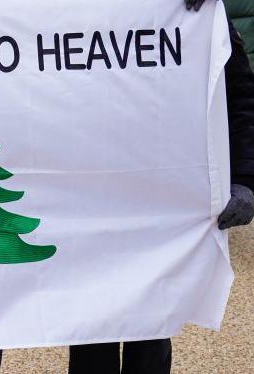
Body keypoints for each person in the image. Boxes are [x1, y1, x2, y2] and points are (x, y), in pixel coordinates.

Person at [67, 1, 254, 373]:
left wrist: (245, 179)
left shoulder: (191, 10)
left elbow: (238, 91)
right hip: (86, 201)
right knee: (91, 325)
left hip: (159, 202)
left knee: (151, 325)